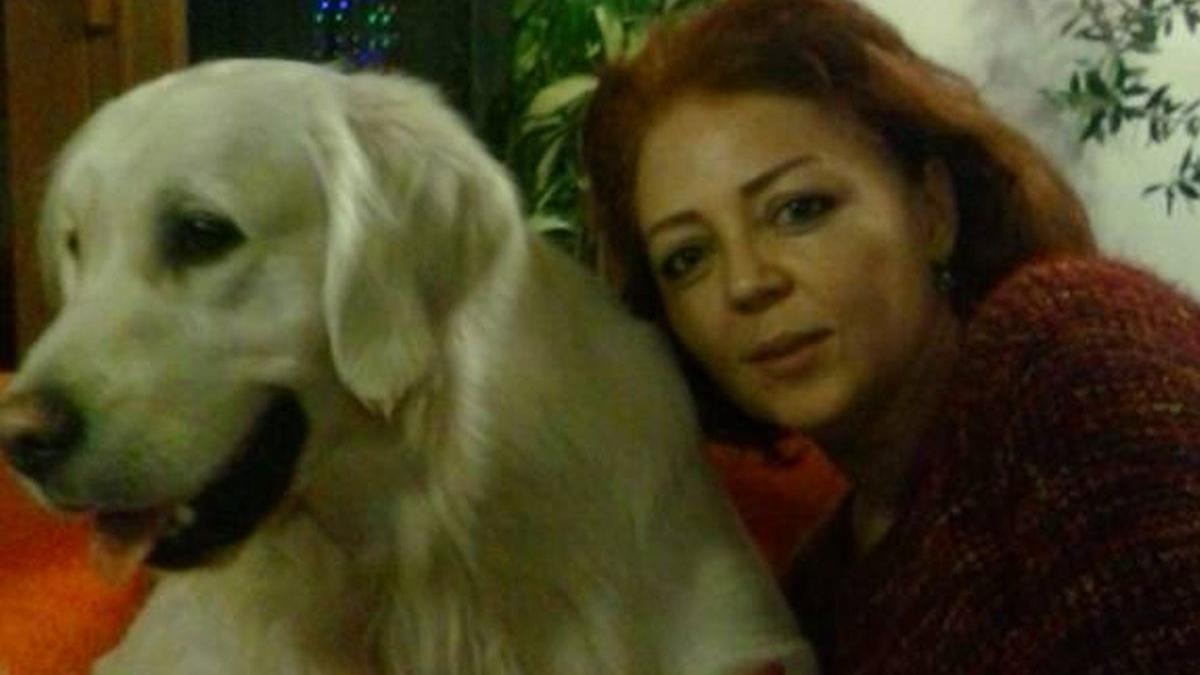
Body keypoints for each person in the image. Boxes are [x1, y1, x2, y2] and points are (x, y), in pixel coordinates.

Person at [579, 0, 1200, 671]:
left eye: (799, 209)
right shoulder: (818, 592)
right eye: (687, 258)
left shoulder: (1066, 349)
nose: (746, 283)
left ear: (932, 209)